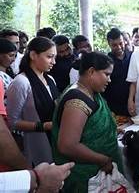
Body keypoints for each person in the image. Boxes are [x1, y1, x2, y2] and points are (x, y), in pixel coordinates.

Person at [52, 52, 123, 192]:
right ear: (91, 71)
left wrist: (110, 129)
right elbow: (67, 145)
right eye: (106, 74)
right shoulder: (77, 101)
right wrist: (103, 160)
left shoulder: (89, 92)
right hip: (85, 176)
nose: (109, 80)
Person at [7, 37, 59, 165]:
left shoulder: (50, 79)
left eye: (54, 57)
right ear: (33, 55)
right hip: (36, 144)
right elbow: (12, 122)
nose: (54, 62)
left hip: (56, 140)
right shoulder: (21, 82)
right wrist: (42, 126)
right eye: (49, 57)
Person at [102, 28, 132, 125]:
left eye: (121, 43)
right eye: (114, 45)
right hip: (114, 109)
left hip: (134, 106)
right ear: (109, 44)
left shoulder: (133, 57)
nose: (119, 47)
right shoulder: (105, 62)